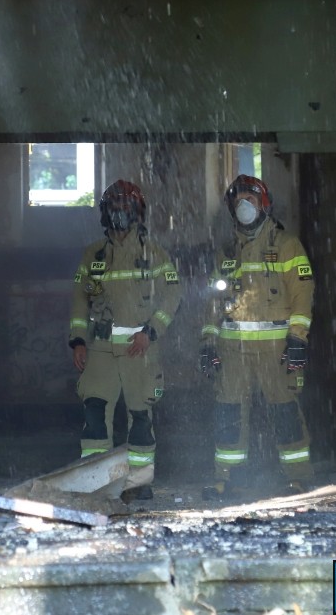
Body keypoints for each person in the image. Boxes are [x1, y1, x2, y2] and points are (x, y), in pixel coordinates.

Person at [198, 174, 315, 500]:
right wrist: (207, 341)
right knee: (229, 412)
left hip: (276, 348)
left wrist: (298, 338)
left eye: (249, 199)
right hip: (232, 348)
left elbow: (302, 293)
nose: (243, 206)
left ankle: (298, 478)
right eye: (238, 201)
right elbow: (213, 300)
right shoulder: (227, 251)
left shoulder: (287, 244)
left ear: (263, 204)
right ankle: (227, 478)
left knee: (285, 411)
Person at [68, 179, 182, 501]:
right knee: (94, 415)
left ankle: (138, 483)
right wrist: (77, 340)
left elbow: (173, 293)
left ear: (137, 212)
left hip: (139, 349)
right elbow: (79, 298)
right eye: (114, 207)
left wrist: (151, 331)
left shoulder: (154, 252)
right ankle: (96, 483)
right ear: (105, 212)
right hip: (99, 349)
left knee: (141, 419)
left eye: (125, 207)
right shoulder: (93, 254)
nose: (119, 213)